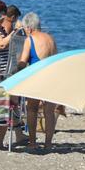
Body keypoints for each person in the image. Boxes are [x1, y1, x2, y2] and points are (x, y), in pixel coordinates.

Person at [17, 12, 59, 153]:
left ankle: (33, 142)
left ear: (29, 27)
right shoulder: (51, 39)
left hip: (37, 76)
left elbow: (23, 61)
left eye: (24, 29)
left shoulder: (30, 39)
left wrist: (18, 69)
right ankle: (48, 144)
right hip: (52, 76)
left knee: (32, 108)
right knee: (49, 111)